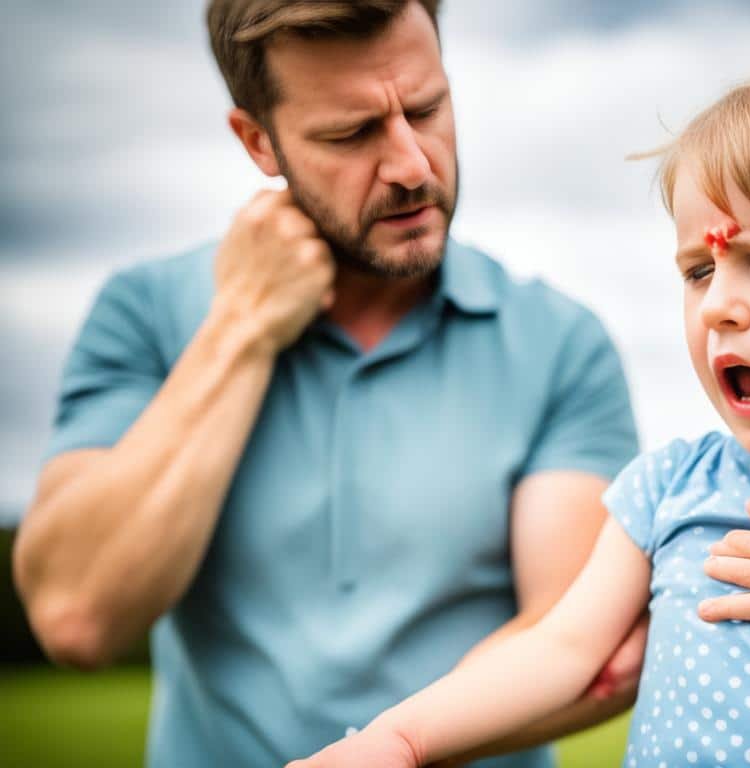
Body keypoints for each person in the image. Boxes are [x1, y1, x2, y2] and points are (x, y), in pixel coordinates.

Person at [288, 61, 750, 768]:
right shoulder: (673, 484)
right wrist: (399, 740)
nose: (719, 306)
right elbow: (561, 650)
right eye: (699, 271)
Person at [11, 2, 644, 767]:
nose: (412, 165)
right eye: (350, 134)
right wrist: (241, 331)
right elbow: (78, 618)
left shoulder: (559, 342)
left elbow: (589, 650)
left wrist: (386, 752)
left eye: (427, 108)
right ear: (257, 141)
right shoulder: (143, 312)